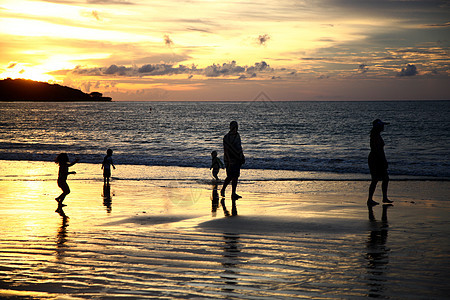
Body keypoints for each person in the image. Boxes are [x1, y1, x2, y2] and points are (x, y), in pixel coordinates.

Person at [367, 119, 393, 206]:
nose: (383, 127)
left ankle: (383, 198)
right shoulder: (375, 136)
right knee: (376, 179)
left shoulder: (376, 135)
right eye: (382, 125)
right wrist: (383, 160)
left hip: (376, 158)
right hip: (375, 159)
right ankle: (370, 199)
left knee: (384, 178)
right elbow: (378, 150)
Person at [221, 121, 245, 200]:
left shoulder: (237, 136)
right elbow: (226, 150)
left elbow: (239, 147)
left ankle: (233, 193)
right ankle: (223, 189)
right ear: (231, 128)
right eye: (234, 127)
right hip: (229, 159)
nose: (235, 129)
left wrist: (242, 156)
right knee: (230, 176)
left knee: (236, 176)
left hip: (237, 158)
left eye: (236, 127)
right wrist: (229, 160)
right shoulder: (226, 138)